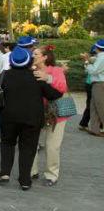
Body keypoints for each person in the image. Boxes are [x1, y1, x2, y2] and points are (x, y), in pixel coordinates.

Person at [0, 46, 63, 190]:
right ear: (28, 61)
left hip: (8, 117)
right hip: (32, 119)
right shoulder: (36, 76)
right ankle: (25, 180)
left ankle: (4, 173)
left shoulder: (5, 75)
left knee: (7, 143)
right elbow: (54, 94)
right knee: (28, 148)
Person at [30, 45, 69, 186]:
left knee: (52, 145)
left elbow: (63, 88)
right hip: (36, 112)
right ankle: (31, 171)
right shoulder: (30, 70)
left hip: (56, 114)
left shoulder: (57, 71)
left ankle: (51, 175)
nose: (33, 56)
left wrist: (48, 78)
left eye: (36, 54)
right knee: (31, 143)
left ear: (45, 57)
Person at [83, 39, 104, 137]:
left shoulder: (102, 57)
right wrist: (88, 60)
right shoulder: (100, 57)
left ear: (97, 48)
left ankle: (95, 128)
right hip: (97, 84)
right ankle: (95, 129)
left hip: (100, 84)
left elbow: (93, 71)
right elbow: (94, 61)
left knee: (100, 106)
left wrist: (86, 62)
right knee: (94, 106)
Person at [79, 46, 97, 131]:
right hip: (93, 84)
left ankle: (84, 123)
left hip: (89, 84)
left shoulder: (92, 59)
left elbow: (86, 69)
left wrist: (86, 59)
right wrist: (86, 59)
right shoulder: (95, 59)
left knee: (90, 104)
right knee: (94, 105)